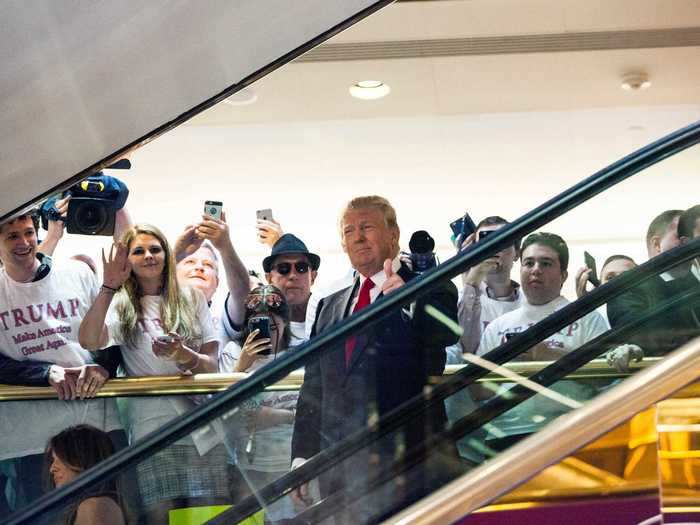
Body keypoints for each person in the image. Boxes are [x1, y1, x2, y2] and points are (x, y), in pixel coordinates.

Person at [290, 195, 459, 524]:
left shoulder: (430, 287)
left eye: (367, 226)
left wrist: (409, 301)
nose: (358, 236)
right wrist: (302, 458)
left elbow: (443, 336)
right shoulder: (329, 306)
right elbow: (314, 388)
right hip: (340, 475)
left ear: (393, 233)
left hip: (409, 466)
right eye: (349, 230)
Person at [78, 224, 228, 523]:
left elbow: (212, 365)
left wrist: (183, 354)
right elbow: (89, 340)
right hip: (152, 428)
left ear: (166, 255)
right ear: (128, 261)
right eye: (138, 251)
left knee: (209, 514)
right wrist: (108, 286)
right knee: (161, 515)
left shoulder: (191, 297)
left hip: (202, 426)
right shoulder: (123, 305)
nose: (148, 256)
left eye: (155, 249)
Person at [0, 212, 121, 512]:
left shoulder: (77, 273)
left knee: (105, 512)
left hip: (94, 421)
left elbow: (114, 330)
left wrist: (105, 366)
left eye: (28, 232)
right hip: (29, 437)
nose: (24, 242)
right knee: (48, 518)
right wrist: (45, 373)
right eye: (12, 236)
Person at [477, 233, 609, 447]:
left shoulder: (587, 318)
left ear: (563, 274)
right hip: (503, 436)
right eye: (529, 263)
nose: (536, 269)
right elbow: (478, 392)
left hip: (568, 433)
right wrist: (507, 363)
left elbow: (605, 378)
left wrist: (551, 356)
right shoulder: (498, 326)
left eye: (546, 263)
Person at [222, 284, 298, 522]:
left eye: (274, 319)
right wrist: (241, 367)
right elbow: (229, 412)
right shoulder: (234, 352)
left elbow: (312, 409)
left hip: (291, 463)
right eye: (259, 320)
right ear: (247, 324)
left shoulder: (300, 353)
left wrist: (271, 414)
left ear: (286, 322)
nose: (268, 328)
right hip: (249, 466)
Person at [608, 205, 700, 358]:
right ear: (657, 245)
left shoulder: (695, 284)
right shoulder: (628, 289)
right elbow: (641, 337)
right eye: (682, 236)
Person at [457, 216, 523, 354]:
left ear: (517, 253)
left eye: (501, 240)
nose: (493, 248)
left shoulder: (531, 301)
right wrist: (471, 281)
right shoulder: (458, 301)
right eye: (486, 240)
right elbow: (464, 352)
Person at [46, 425, 125, 525]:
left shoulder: (93, 506)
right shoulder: (96, 504)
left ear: (81, 460)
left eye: (60, 459)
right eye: (53, 460)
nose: (52, 469)